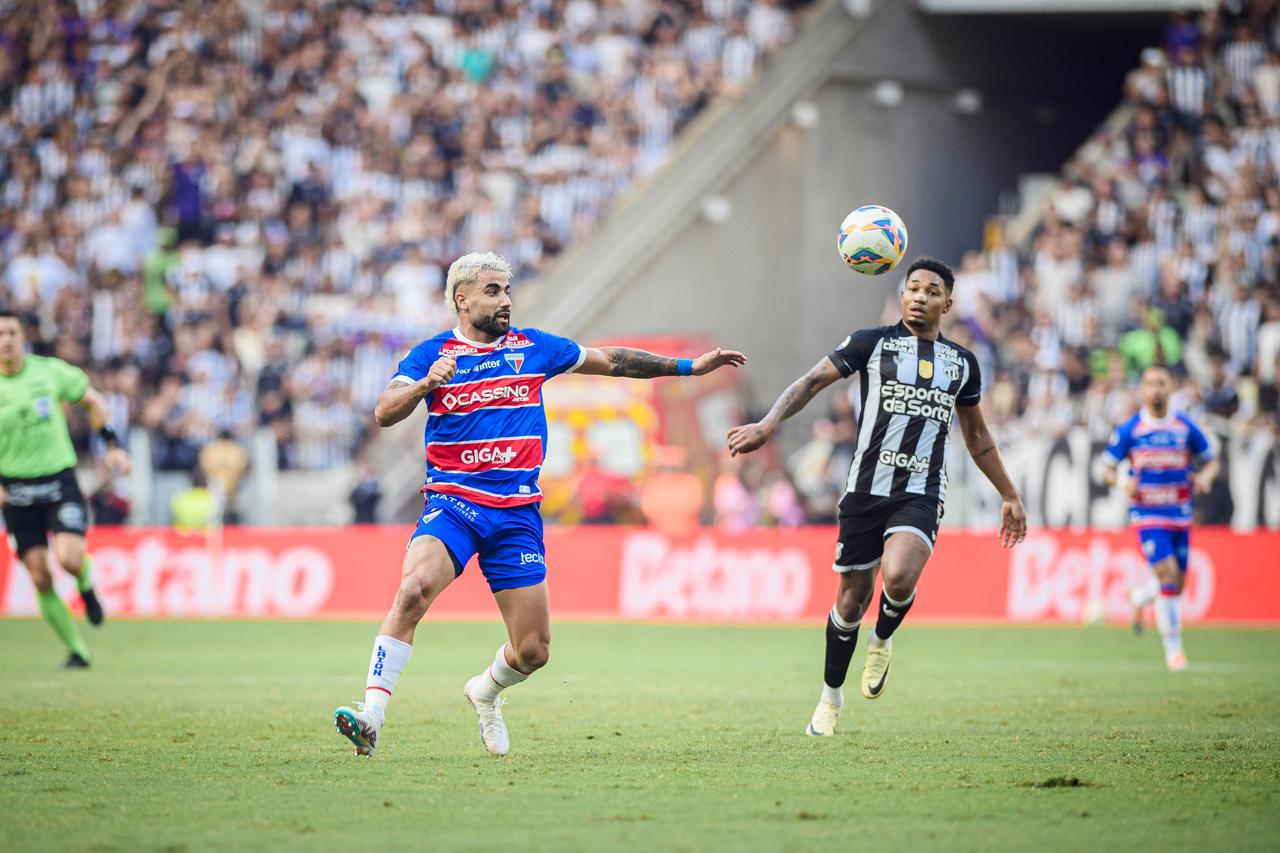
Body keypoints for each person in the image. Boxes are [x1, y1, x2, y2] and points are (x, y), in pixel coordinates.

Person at [333, 252, 745, 757]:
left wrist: (687, 367)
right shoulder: (431, 354)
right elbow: (383, 411)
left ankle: (485, 691)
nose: (505, 300)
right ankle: (372, 716)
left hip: (516, 515)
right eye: (492, 291)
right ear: (462, 300)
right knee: (413, 590)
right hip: (454, 503)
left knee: (533, 651)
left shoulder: (534, 347)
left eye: (507, 290)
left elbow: (610, 361)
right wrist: (424, 385)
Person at [726, 258, 1027, 737]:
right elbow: (811, 382)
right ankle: (830, 697)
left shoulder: (962, 364)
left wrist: (1009, 494)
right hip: (865, 490)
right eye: (913, 288)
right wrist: (768, 425)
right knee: (851, 601)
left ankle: (882, 637)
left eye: (932, 291)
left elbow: (977, 436)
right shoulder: (870, 343)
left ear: (948, 304)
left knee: (900, 574)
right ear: (902, 296)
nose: (921, 297)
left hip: (920, 491)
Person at [0, 310, 131, 668]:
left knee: (69, 559)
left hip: (59, 481)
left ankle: (85, 583)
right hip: (16, 491)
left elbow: (92, 400)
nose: (6, 340)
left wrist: (113, 445)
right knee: (39, 575)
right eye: (0, 334)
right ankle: (78, 650)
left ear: (22, 337)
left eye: (11, 332)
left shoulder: (49, 372)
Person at [1101, 365, 1218, 671]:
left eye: (1161, 383)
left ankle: (1140, 597)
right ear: (1141, 389)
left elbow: (1211, 460)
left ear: (1171, 388)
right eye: (1150, 383)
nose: (1155, 389)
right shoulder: (1130, 429)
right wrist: (1123, 482)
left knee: (1177, 582)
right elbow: (1106, 469)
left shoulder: (1185, 427)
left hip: (1180, 514)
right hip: (1148, 515)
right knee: (1167, 575)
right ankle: (1174, 652)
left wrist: (1205, 477)